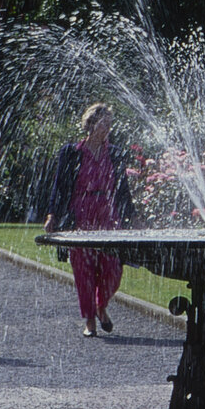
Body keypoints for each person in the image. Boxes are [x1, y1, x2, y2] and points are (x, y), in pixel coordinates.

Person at [44, 103, 134, 338]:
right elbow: (60, 186)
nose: (108, 128)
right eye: (104, 123)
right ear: (91, 125)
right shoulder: (71, 152)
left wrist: (134, 216)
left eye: (109, 123)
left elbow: (123, 188)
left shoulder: (114, 153)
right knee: (83, 270)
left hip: (108, 214)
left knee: (112, 267)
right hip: (80, 214)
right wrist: (52, 214)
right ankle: (90, 320)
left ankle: (101, 304)